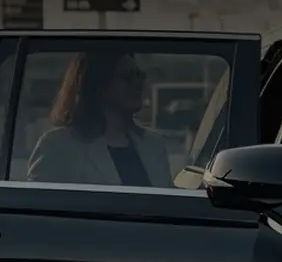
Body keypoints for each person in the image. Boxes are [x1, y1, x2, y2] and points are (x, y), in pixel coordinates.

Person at [25, 51, 174, 187]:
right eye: (128, 77)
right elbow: (36, 207)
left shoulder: (155, 145)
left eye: (140, 76)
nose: (138, 84)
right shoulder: (57, 145)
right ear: (98, 84)